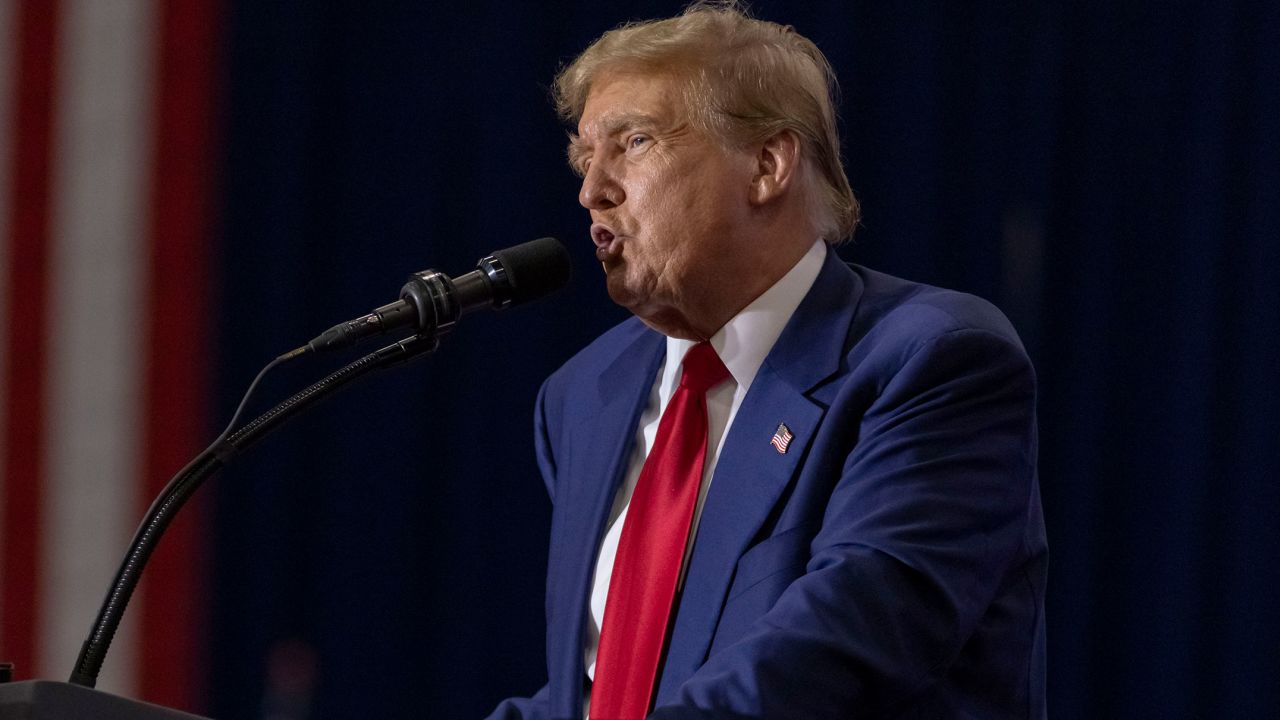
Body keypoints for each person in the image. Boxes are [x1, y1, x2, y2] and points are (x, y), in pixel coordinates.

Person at [489, 2, 1046, 718]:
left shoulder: (930, 361)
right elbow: (594, 693)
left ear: (767, 164)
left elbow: (835, 651)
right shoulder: (583, 396)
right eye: (583, 158)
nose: (591, 189)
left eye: (632, 143)